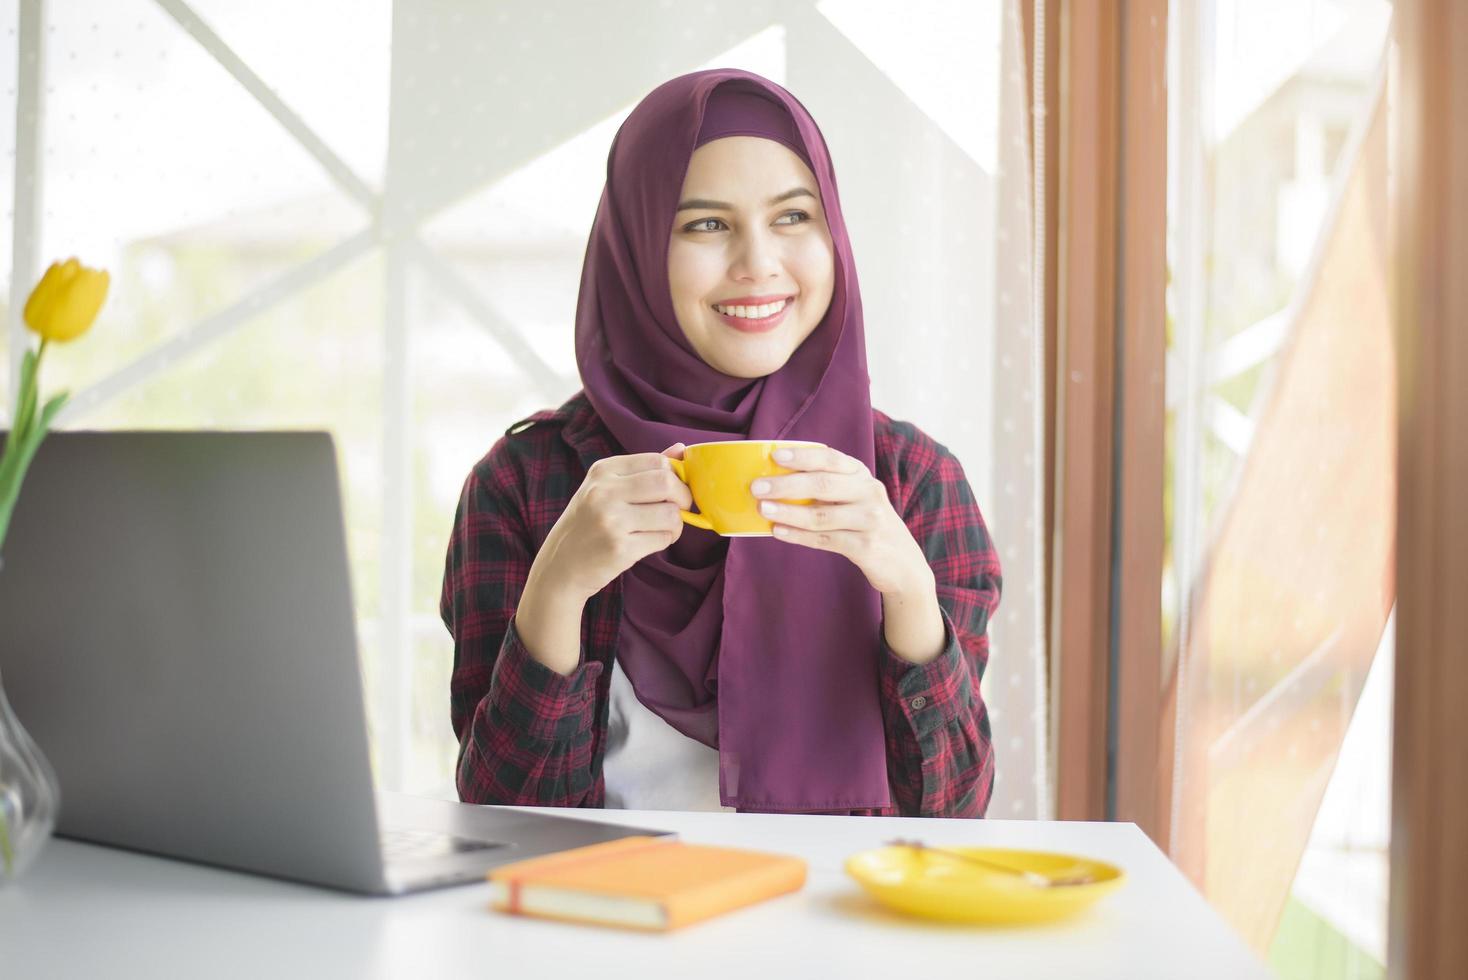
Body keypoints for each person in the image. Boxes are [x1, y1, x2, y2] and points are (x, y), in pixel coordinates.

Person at [440, 68, 1001, 817]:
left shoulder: (910, 483)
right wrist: (558, 587)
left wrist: (907, 593)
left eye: (794, 218)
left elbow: (953, 813)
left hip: (840, 929)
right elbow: (500, 818)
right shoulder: (526, 485)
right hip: (600, 927)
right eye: (705, 224)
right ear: (636, 246)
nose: (758, 263)